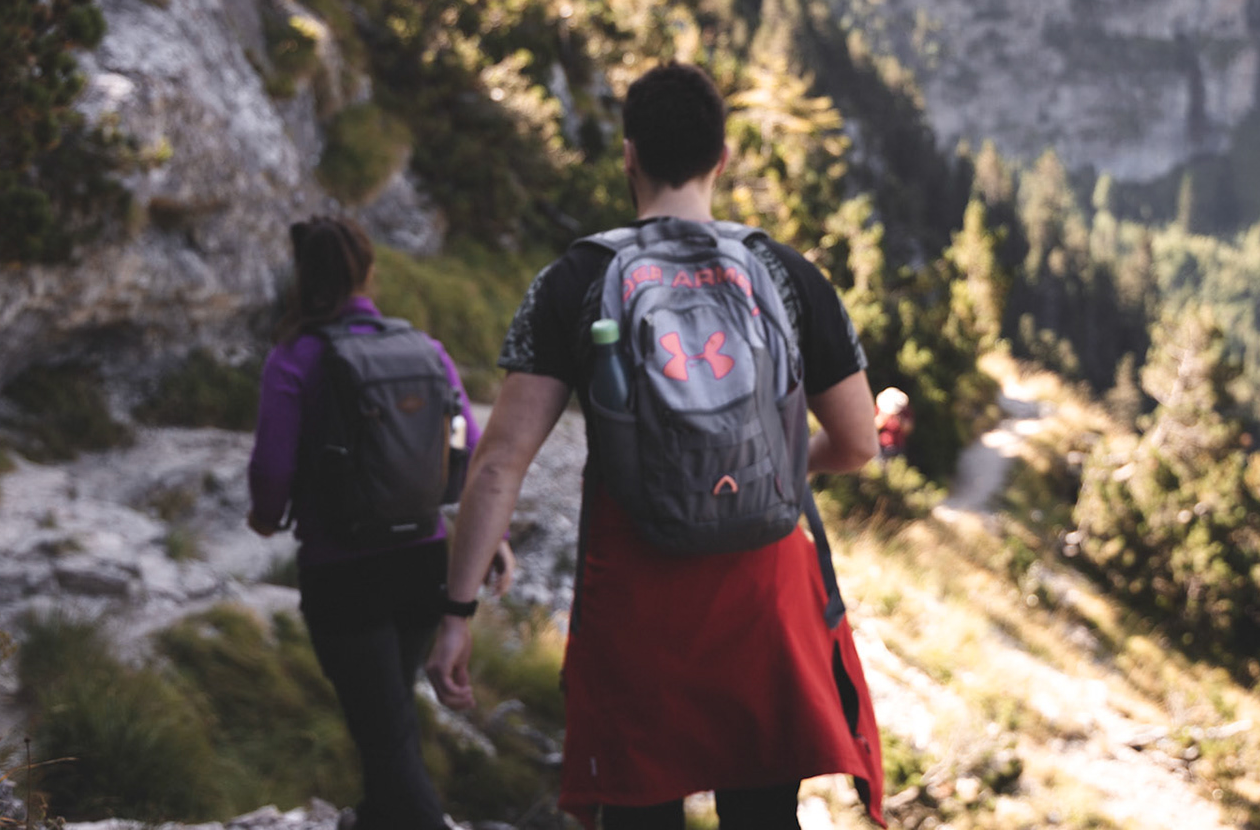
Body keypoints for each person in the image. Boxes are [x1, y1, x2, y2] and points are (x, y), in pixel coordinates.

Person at [427, 62, 887, 830]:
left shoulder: (577, 279)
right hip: (762, 596)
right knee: (763, 817)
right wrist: (773, 467)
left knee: (639, 816)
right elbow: (859, 442)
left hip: (635, 598)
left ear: (629, 155)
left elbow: (501, 462)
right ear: (723, 158)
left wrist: (457, 611)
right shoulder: (785, 273)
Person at [248, 215, 514, 830]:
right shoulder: (424, 349)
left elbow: (271, 467)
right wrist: (493, 540)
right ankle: (373, 819)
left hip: (343, 571)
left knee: (384, 731)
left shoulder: (294, 357)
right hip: (422, 561)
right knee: (387, 714)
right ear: (368, 272)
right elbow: (473, 453)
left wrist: (265, 517)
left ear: (302, 277)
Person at [874, 388, 911, 462]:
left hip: (898, 446)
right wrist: (884, 417)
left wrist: (900, 420)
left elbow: (908, 429)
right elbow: (874, 426)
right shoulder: (879, 409)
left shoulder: (904, 411)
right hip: (881, 447)